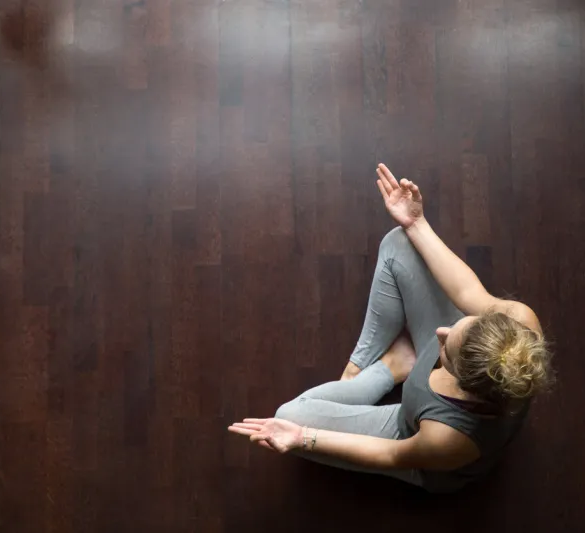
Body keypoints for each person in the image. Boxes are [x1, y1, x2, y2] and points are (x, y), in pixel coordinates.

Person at [228, 163, 554, 493]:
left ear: (463, 382)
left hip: (409, 433)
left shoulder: (450, 437)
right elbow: (469, 294)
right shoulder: (520, 327)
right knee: (401, 242)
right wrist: (417, 223)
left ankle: (386, 370)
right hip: (453, 391)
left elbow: (392, 455)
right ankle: (360, 368)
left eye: (446, 351)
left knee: (288, 417)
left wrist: (303, 438)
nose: (439, 333)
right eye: (462, 325)